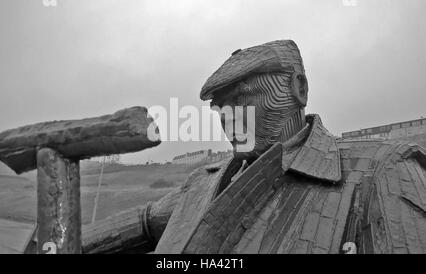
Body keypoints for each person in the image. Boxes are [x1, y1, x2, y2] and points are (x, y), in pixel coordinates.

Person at [82, 40, 426, 254]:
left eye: (243, 99)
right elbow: (142, 223)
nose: (227, 117)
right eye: (219, 108)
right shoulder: (202, 184)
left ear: (299, 89)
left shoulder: (382, 171)